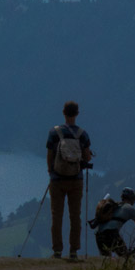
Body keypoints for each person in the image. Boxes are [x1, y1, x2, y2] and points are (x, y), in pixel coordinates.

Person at [46, 100, 93, 261]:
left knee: (56, 216)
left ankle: (57, 251)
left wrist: (51, 172)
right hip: (76, 180)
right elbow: (87, 157)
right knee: (75, 216)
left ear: (63, 113)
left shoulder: (54, 133)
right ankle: (74, 251)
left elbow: (50, 155)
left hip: (57, 180)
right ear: (77, 114)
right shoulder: (83, 134)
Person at [92, 187, 135, 257]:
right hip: (111, 234)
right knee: (126, 258)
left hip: (98, 234)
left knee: (105, 260)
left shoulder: (115, 205)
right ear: (132, 199)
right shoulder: (130, 209)